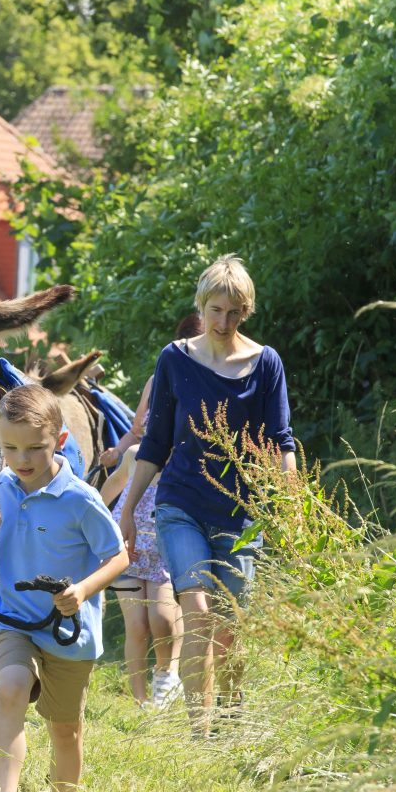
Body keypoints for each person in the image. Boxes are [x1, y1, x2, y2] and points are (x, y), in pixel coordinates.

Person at [120, 256, 295, 734]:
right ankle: (201, 732)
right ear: (201, 306)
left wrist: (292, 503)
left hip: (240, 512)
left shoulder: (266, 364)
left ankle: (232, 716)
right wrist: (131, 509)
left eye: (235, 312)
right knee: (195, 609)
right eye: (216, 310)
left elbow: (281, 440)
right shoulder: (175, 358)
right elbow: (154, 442)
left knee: (228, 623)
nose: (224, 322)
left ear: (247, 311)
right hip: (180, 505)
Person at [0, 385, 129, 792]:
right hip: (15, 618)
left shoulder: (80, 500)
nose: (22, 459)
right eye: (10, 448)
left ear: (60, 442)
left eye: (35, 448)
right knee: (10, 687)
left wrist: (84, 591)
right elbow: (8, 526)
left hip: (69, 633)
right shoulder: (8, 485)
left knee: (65, 729)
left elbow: (119, 554)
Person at [97, 314, 201, 708]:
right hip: (129, 536)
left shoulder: (186, 457)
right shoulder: (158, 386)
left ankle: (166, 674)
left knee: (161, 616)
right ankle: (144, 703)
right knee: (136, 626)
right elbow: (112, 486)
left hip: (163, 537)